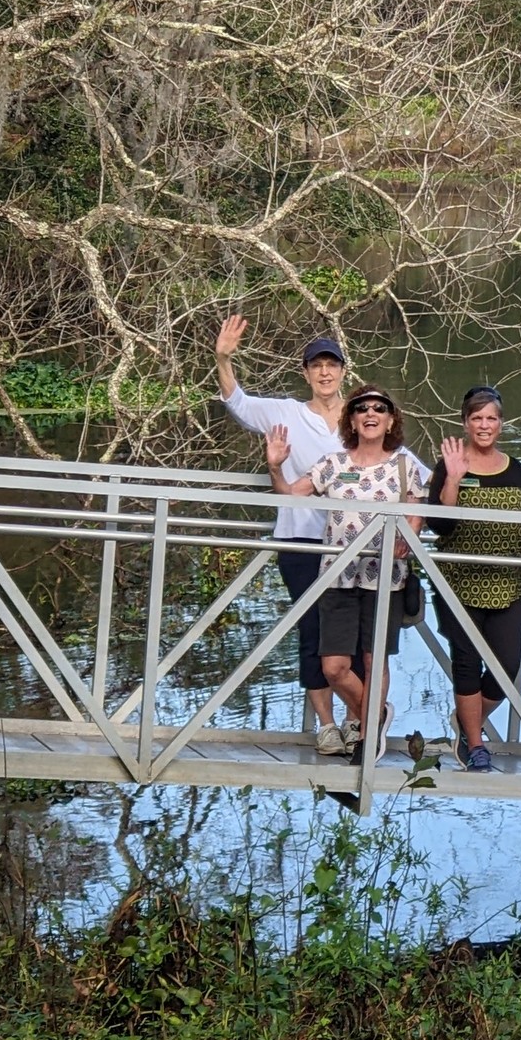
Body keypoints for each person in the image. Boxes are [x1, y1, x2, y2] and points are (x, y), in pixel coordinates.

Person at [262, 385, 427, 757]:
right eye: (362, 408)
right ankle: (375, 715)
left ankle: (368, 738)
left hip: (385, 575)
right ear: (351, 419)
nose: (371, 414)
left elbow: (418, 513)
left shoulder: (404, 465)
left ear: (390, 420)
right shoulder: (332, 463)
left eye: (379, 409)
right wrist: (275, 465)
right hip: (337, 573)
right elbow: (290, 494)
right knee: (334, 666)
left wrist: (408, 537)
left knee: (372, 658)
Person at [214, 314, 350, 753]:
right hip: (301, 541)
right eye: (317, 366)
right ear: (306, 373)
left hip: (356, 543)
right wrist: (223, 358)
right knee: (312, 631)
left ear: (344, 370)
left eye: (332, 365)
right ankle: (327, 726)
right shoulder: (286, 414)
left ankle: (360, 722)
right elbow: (238, 401)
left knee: (354, 638)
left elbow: (408, 469)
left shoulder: (366, 416)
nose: (325, 372)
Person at [426, 385, 521, 771]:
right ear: (465, 423)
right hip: (458, 581)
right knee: (466, 662)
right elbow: (437, 525)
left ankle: (468, 723)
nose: (484, 425)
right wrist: (452, 479)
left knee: (506, 665)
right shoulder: (449, 464)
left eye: (491, 418)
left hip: (507, 581)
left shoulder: (515, 468)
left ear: (501, 423)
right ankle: (475, 744)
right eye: (477, 418)